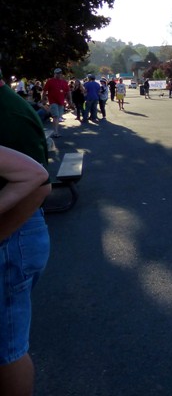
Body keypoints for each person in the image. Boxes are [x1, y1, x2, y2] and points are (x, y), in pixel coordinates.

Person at [0, 67, 51, 396]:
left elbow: (38, 186)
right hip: (15, 231)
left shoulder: (7, 114)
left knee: (7, 350)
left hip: (13, 234)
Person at [42, 68, 71, 138]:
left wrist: (70, 101)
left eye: (60, 73)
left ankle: (56, 130)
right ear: (54, 74)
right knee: (55, 116)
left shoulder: (64, 82)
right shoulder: (50, 81)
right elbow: (44, 91)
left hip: (61, 102)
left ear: (61, 74)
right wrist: (43, 99)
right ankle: (55, 132)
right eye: (57, 73)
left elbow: (68, 92)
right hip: (53, 101)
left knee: (58, 116)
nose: (58, 74)